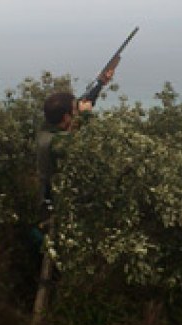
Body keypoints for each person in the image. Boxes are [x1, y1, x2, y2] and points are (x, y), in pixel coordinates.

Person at [36, 70, 114, 222]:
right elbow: (83, 143)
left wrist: (100, 84)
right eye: (74, 111)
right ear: (66, 117)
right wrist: (86, 115)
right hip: (58, 206)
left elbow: (77, 108)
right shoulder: (56, 143)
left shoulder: (46, 126)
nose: (76, 112)